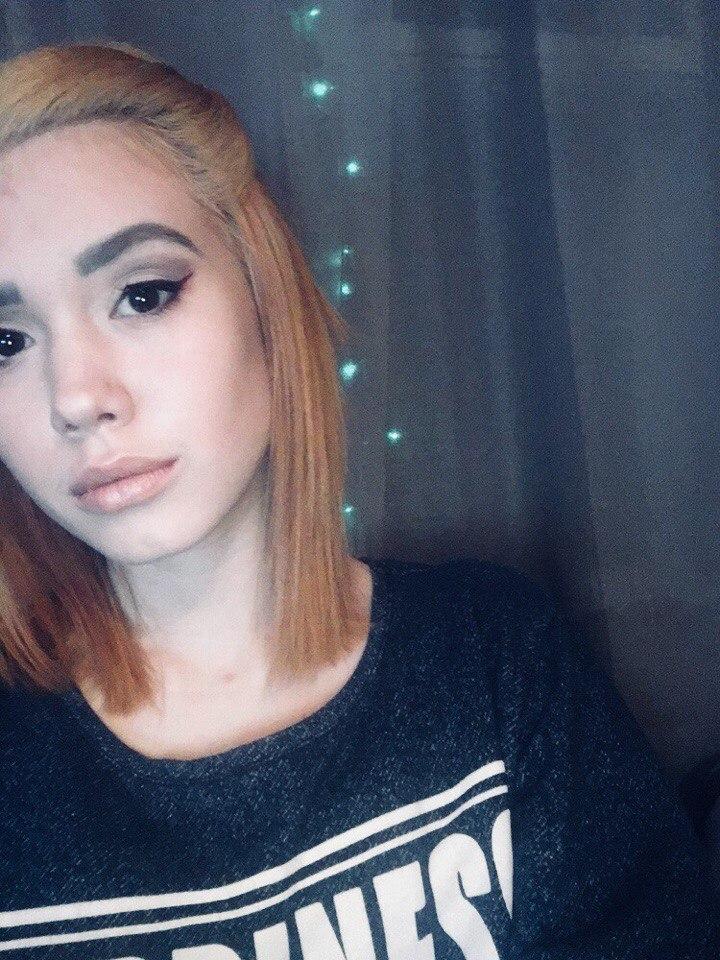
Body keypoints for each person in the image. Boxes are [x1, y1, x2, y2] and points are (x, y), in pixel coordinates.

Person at [0, 40, 715, 960]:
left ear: (267, 300)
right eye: (5, 343)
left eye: (142, 295)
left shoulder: (491, 657)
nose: (76, 396)